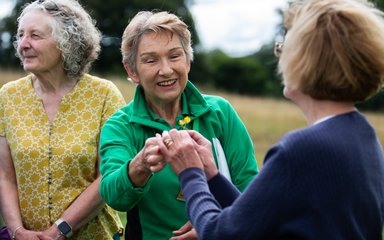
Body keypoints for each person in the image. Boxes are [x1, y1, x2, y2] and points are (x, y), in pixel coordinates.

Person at [154, 0, 384, 239]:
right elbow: (256, 224)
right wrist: (212, 176)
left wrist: (190, 173)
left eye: (283, 48)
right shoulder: (362, 136)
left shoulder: (301, 150)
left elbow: (220, 234)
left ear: (302, 61)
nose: (280, 58)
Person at [98, 11, 259, 240]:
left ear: (188, 60)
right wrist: (140, 164)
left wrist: (210, 222)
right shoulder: (120, 125)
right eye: (151, 60)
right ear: (132, 70)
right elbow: (115, 197)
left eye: (174, 56)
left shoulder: (220, 113)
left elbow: (250, 186)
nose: (166, 70)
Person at [0, 0, 126, 239]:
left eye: (35, 36)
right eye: (20, 35)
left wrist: (61, 229)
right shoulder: (8, 96)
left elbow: (107, 175)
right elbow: (4, 175)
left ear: (66, 43)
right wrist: (17, 232)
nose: (23, 45)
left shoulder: (104, 95)